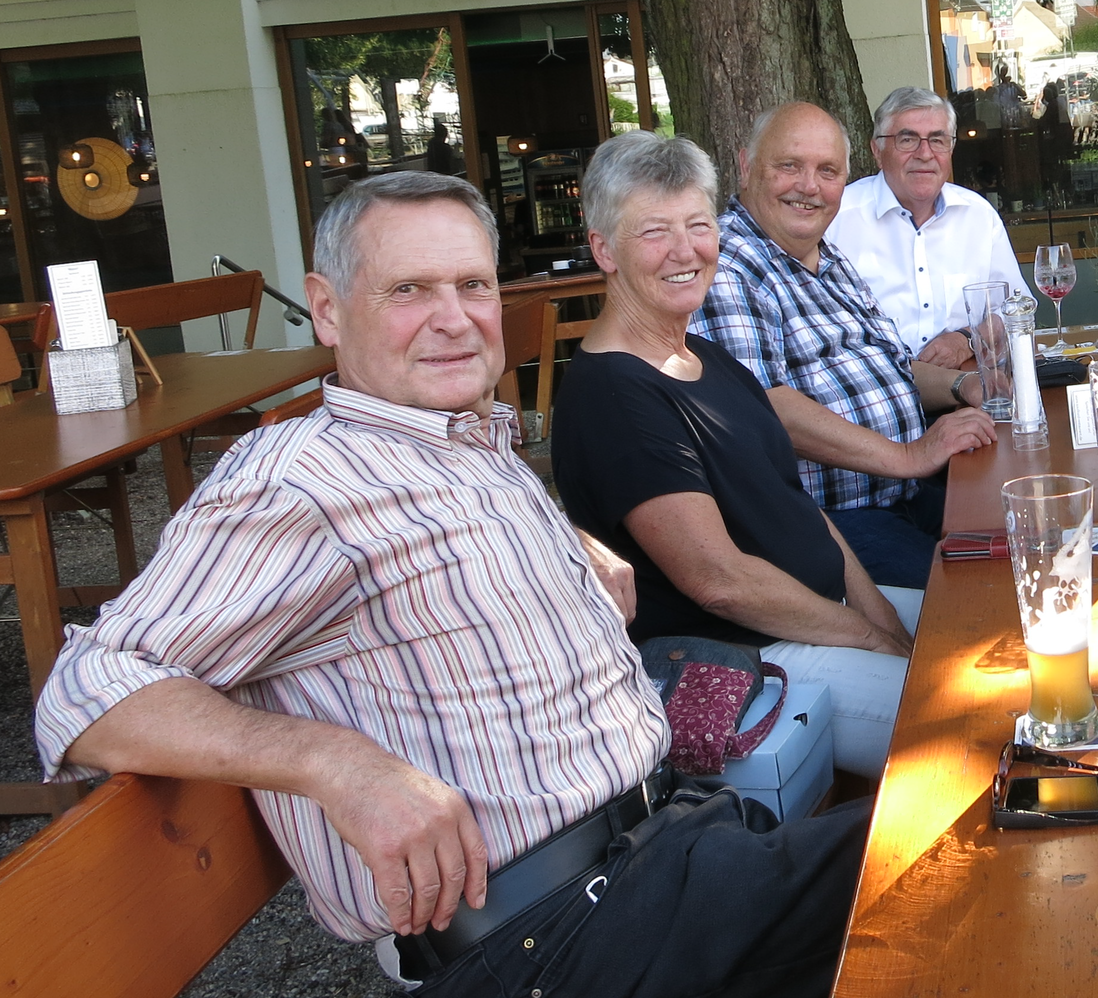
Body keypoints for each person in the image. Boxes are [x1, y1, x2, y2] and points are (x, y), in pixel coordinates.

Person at [34, 172, 869, 998]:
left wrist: (560, 544)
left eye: (472, 285)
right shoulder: (299, 481)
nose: (452, 318)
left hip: (668, 853)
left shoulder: (460, 436)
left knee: (970, 819)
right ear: (327, 309)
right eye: (407, 289)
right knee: (957, 855)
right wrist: (337, 765)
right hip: (557, 937)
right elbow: (85, 690)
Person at [554, 131, 918, 778]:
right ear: (603, 249)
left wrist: (878, 612)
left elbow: (794, 502)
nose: (686, 250)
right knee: (963, 717)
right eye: (654, 232)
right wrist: (871, 637)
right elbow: (718, 582)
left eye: (699, 225)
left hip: (825, 614)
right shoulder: (611, 395)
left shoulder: (708, 357)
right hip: (757, 658)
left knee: (989, 644)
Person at [691, 101, 997, 591]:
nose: (809, 186)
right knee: (974, 600)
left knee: (1031, 535)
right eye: (789, 166)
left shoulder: (827, 257)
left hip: (907, 495)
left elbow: (896, 369)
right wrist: (911, 456)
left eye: (826, 171)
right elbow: (762, 407)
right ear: (747, 166)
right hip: (827, 522)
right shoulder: (727, 265)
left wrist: (966, 386)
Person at [825, 86, 1028, 369]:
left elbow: (1015, 307)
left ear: (951, 149)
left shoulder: (979, 216)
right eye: (907, 140)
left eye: (937, 140)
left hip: (966, 388)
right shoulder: (836, 218)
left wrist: (966, 340)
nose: (925, 153)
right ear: (877, 150)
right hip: (872, 396)